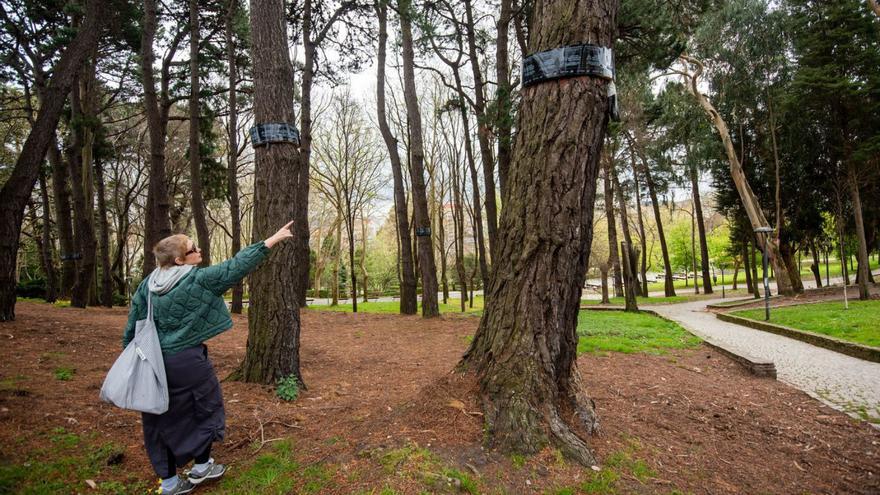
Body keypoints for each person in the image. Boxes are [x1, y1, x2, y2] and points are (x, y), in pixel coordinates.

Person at [122, 222, 294, 494]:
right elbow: (235, 266)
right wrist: (269, 241)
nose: (198, 250)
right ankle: (202, 467)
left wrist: (131, 360)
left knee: (157, 420)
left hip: (153, 363)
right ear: (179, 260)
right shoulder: (196, 279)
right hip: (188, 363)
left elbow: (133, 325)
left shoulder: (148, 285)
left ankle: (168, 483)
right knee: (205, 410)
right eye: (192, 249)